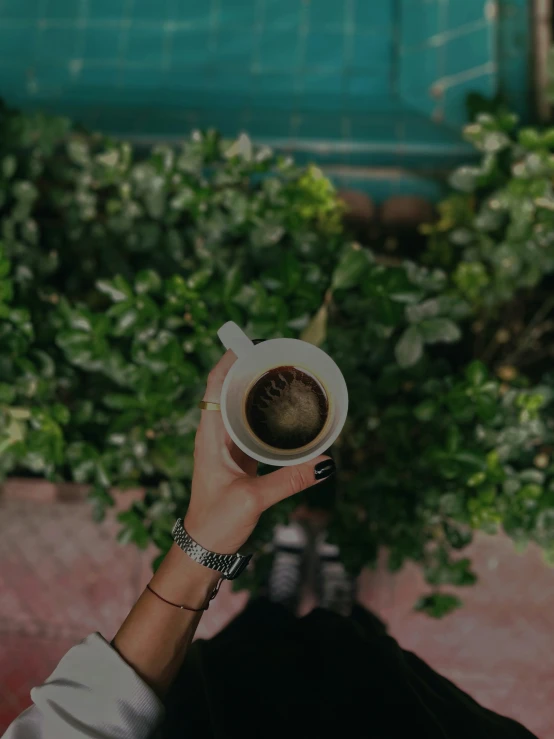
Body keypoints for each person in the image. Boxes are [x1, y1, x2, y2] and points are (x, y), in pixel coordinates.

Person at [3, 347, 537, 739]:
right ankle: (338, 612)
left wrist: (201, 551)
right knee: (359, 653)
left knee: (255, 644)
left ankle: (278, 605)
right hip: (389, 721)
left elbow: (78, 723)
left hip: (219, 713)